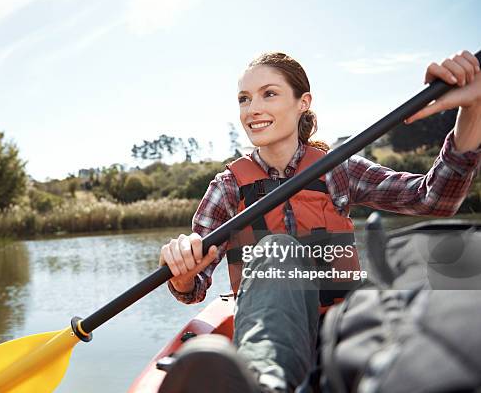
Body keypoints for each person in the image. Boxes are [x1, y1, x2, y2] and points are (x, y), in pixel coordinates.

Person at [157, 50, 481, 393]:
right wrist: (183, 272)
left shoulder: (338, 169)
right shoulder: (227, 188)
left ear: (303, 103)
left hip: (341, 333)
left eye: (269, 94)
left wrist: (473, 109)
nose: (252, 109)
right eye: (244, 99)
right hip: (269, 337)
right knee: (278, 250)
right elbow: (192, 289)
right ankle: (267, 384)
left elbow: (434, 199)